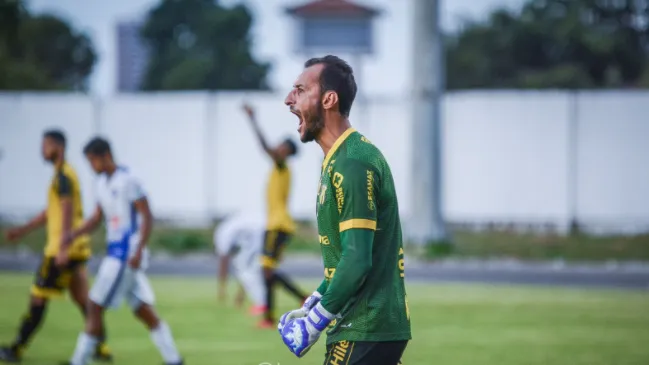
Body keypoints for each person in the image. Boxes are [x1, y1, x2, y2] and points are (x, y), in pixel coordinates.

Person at [277, 55, 412, 364]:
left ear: (329, 99)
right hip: (369, 328)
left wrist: (314, 323)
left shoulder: (352, 162)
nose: (289, 99)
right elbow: (346, 259)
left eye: (300, 89)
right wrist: (316, 299)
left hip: (363, 327)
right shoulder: (339, 159)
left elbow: (357, 259)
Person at [62, 137, 183, 365]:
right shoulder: (101, 184)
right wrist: (74, 234)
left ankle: (79, 361)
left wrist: (139, 251)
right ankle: (174, 360)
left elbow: (146, 215)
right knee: (143, 310)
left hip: (125, 255)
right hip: (115, 253)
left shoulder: (129, 179)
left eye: (92, 161)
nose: (92, 167)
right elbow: (97, 217)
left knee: (95, 306)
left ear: (105, 155)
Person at [0, 130, 112, 363]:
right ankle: (100, 347)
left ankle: (17, 348)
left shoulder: (63, 175)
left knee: (38, 298)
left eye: (46, 146)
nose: (43, 150)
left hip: (62, 249)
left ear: (58, 147)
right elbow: (50, 213)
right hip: (77, 247)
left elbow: (67, 209)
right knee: (84, 301)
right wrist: (23, 230)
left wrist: (62, 247)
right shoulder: (63, 175)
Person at [242, 104, 308, 328]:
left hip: (278, 225)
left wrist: (253, 120)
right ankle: (269, 318)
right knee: (267, 271)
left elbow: (265, 148)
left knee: (267, 270)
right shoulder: (281, 168)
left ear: (286, 151)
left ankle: (301, 297)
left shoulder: (281, 165)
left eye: (280, 146)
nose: (276, 148)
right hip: (278, 225)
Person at [214, 211, 267, 315]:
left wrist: (222, 289)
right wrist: (241, 294)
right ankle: (262, 303)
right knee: (250, 271)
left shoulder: (222, 235)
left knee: (246, 270)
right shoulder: (232, 228)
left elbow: (223, 264)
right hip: (263, 232)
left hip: (259, 235)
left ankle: (261, 304)